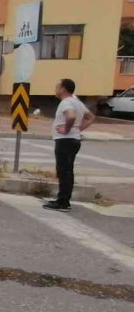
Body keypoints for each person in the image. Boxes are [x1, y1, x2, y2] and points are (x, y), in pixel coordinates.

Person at [43, 79, 95, 212]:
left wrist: (67, 130)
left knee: (64, 171)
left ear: (63, 89)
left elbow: (71, 117)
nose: (55, 89)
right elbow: (90, 117)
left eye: (57, 86)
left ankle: (63, 202)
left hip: (65, 140)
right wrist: (78, 130)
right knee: (67, 171)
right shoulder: (76, 102)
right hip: (73, 140)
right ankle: (64, 200)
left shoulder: (66, 102)